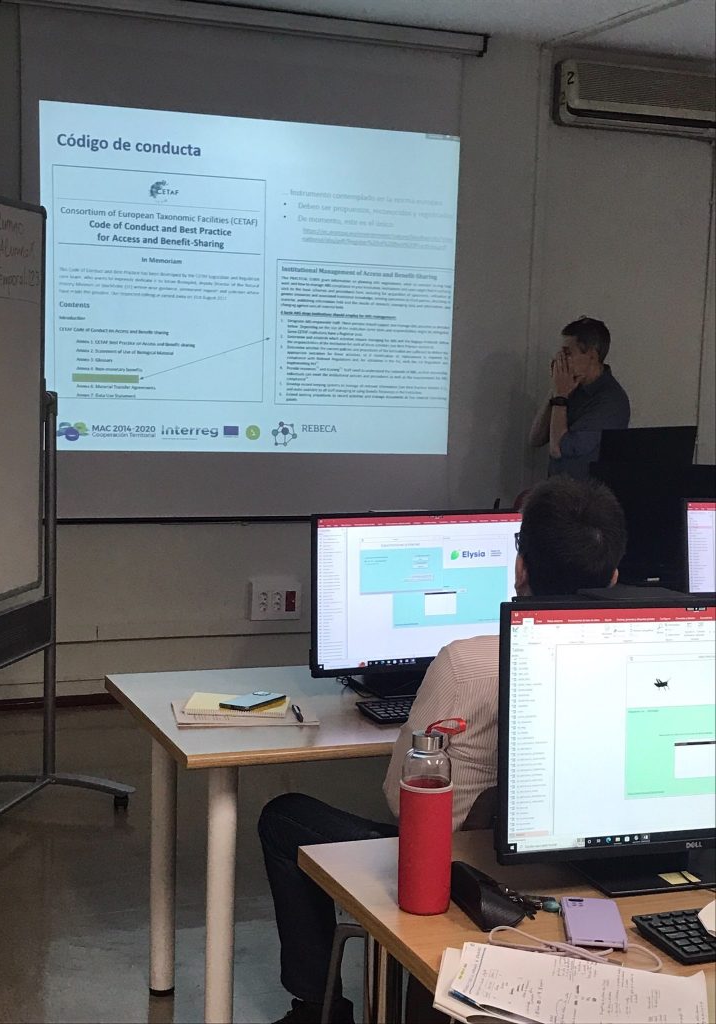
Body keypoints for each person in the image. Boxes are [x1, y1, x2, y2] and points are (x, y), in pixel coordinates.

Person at [259, 476, 627, 1024]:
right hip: (581, 873)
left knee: (284, 818)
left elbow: (402, 799)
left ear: (520, 568)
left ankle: (318, 1009)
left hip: (461, 873)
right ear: (614, 575)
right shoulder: (639, 657)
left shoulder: (466, 663)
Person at [529, 316, 630, 480]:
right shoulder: (570, 387)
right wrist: (555, 390)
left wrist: (560, 397)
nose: (560, 359)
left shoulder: (611, 401)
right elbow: (536, 438)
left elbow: (558, 449)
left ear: (592, 356)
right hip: (557, 488)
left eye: (567, 353)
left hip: (584, 493)